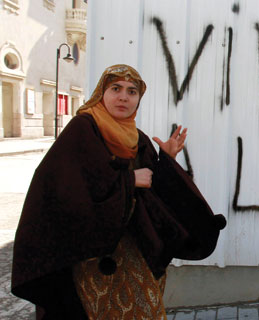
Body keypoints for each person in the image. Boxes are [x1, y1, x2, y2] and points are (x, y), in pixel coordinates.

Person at [11, 64, 226, 319]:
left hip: (137, 247)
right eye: (116, 88)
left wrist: (166, 159)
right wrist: (127, 179)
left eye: (132, 91)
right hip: (95, 252)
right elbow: (62, 188)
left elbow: (153, 188)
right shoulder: (83, 129)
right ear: (102, 92)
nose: (124, 96)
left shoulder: (137, 137)